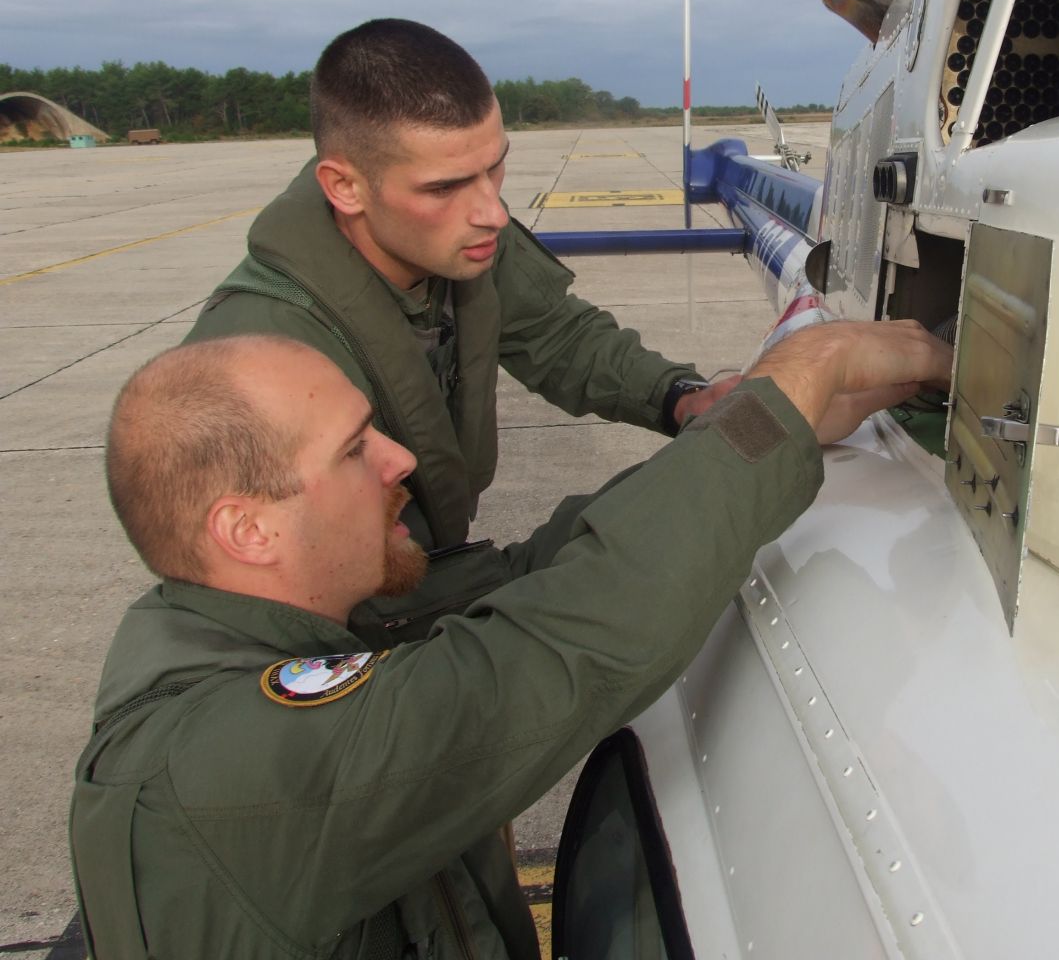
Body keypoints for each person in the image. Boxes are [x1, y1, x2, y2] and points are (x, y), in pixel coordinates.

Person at [70, 320, 951, 959]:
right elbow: (574, 637)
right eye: (352, 450)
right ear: (248, 531)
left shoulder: (251, 629)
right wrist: (810, 364)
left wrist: (770, 429)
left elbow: (550, 571)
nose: (398, 460)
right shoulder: (227, 769)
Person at [186, 18, 732, 566]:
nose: (492, 213)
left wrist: (679, 395)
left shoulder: (455, 240)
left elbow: (554, 334)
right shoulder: (253, 357)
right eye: (443, 187)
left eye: (494, 168)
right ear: (345, 187)